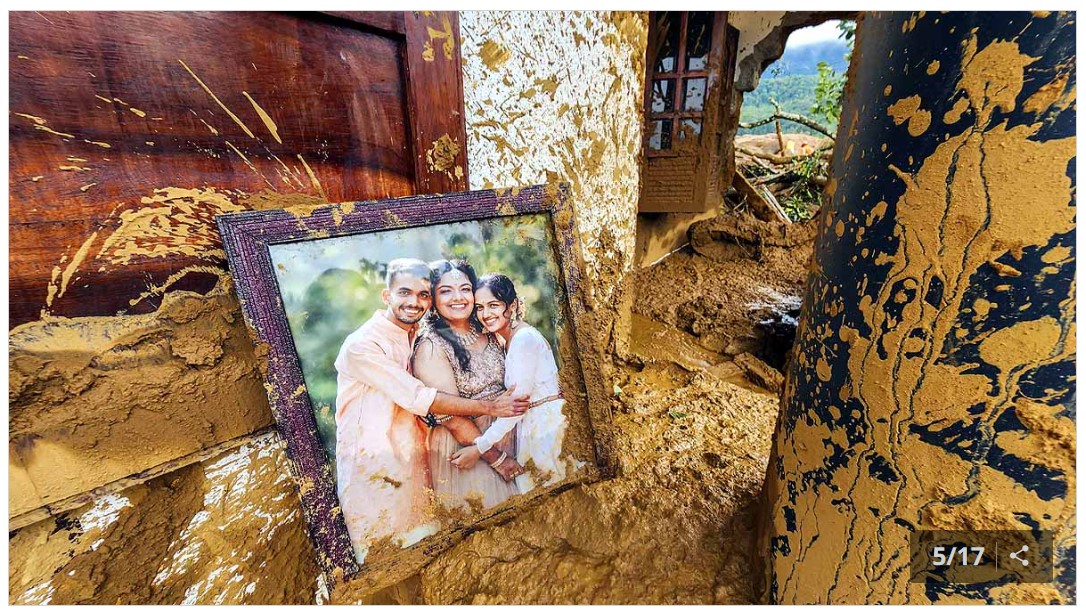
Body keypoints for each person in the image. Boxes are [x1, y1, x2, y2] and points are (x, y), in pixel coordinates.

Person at [333, 258, 529, 563]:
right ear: (386, 296)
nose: (414, 302)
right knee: (383, 552)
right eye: (404, 293)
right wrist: (492, 436)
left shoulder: (416, 332)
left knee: (434, 545)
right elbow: (424, 399)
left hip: (419, 458)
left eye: (422, 294)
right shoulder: (364, 345)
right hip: (377, 465)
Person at [412, 259, 523, 511]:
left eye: (464, 288)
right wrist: (497, 459)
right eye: (445, 291)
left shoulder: (488, 327)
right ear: (433, 299)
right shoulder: (431, 346)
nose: (457, 297)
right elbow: (450, 416)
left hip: (507, 434)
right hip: (467, 446)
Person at [453, 273, 568, 493]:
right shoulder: (508, 340)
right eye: (479, 307)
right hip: (534, 426)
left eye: (493, 305)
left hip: (547, 430)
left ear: (512, 304)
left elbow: (516, 407)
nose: (486, 314)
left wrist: (478, 448)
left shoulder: (524, 340)